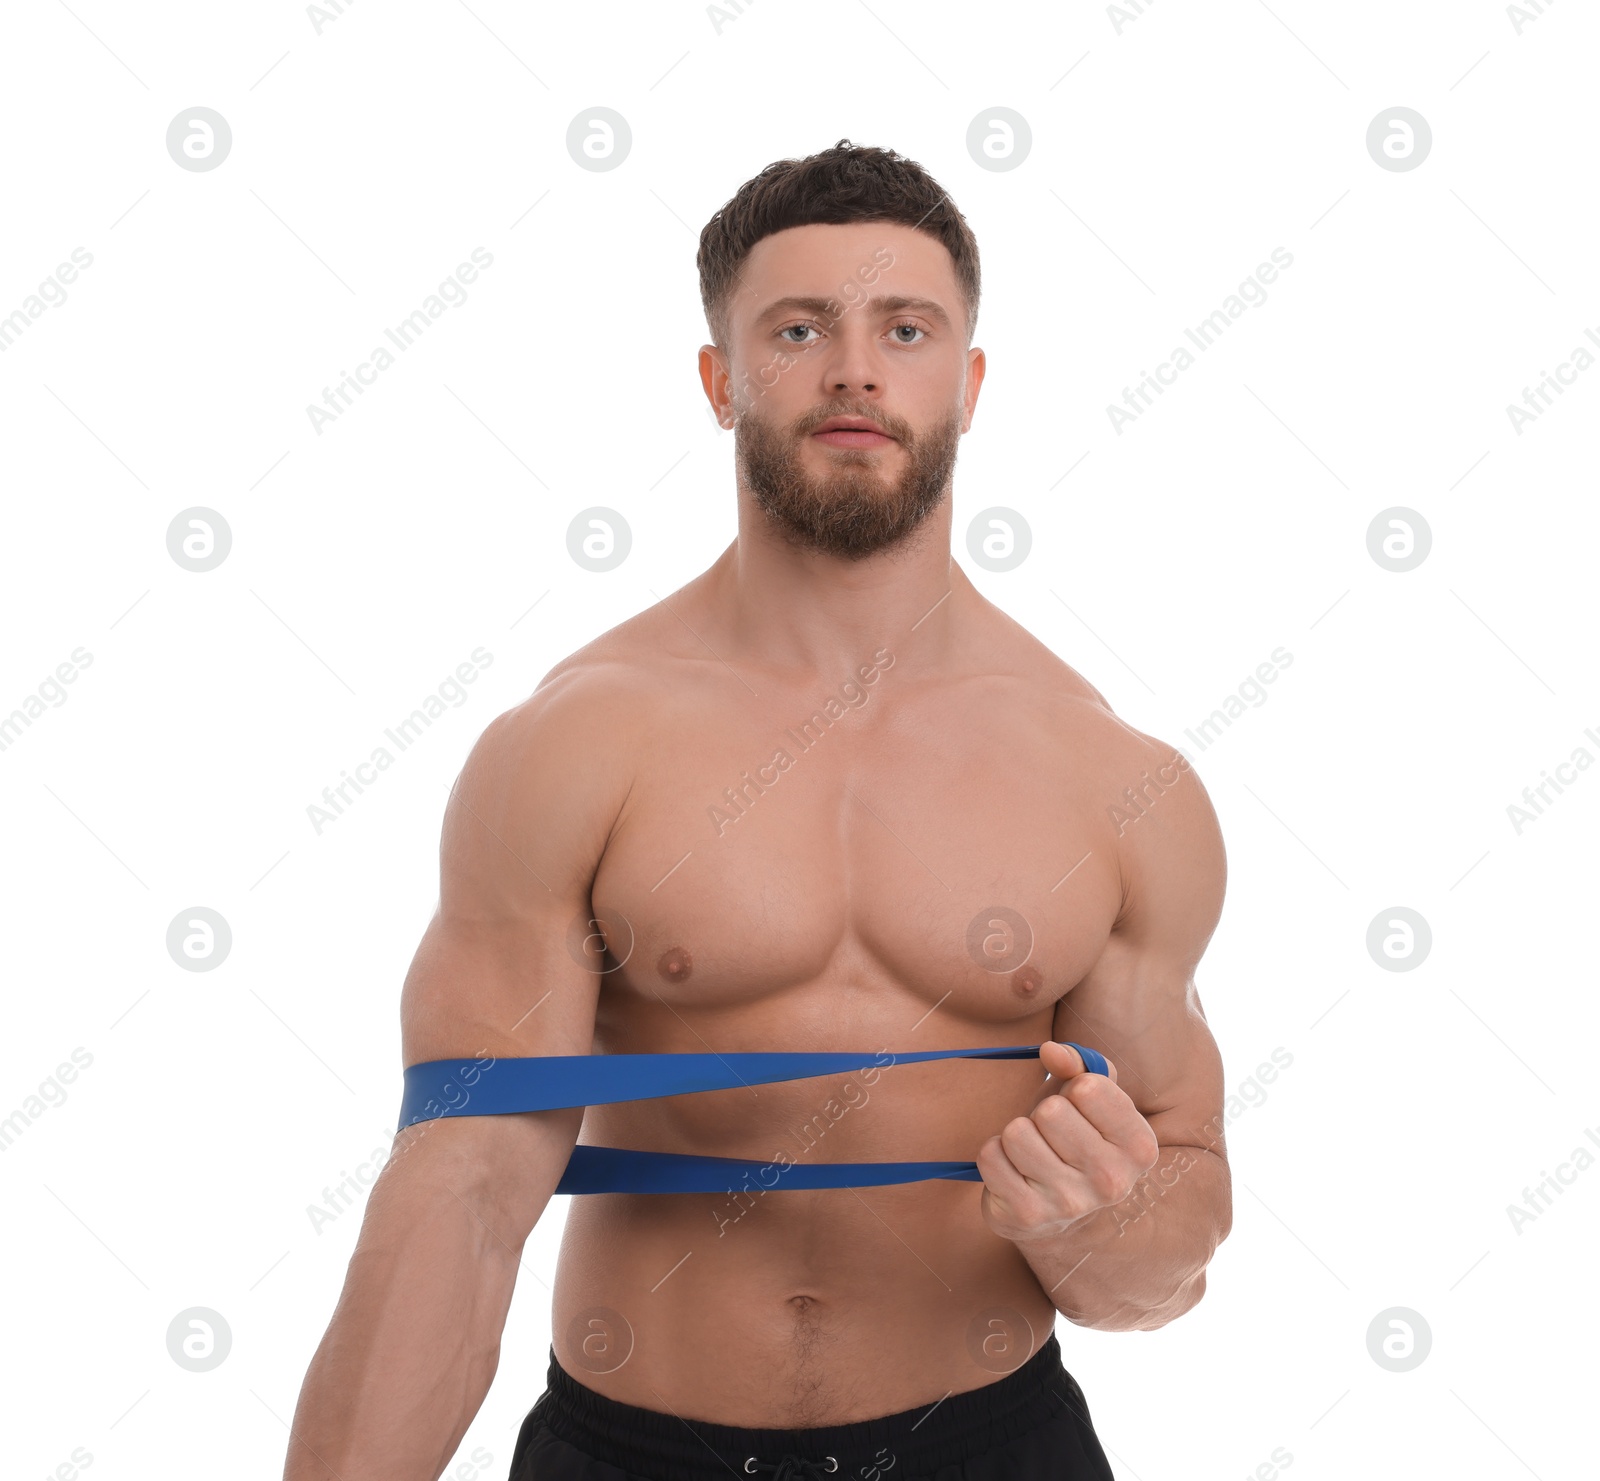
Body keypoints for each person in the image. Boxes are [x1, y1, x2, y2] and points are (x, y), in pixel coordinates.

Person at [282, 139, 1231, 1481]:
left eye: (905, 329)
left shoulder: (1116, 781)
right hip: (632, 1447)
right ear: (722, 379)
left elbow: (1166, 1261)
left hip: (991, 1444)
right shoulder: (576, 743)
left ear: (966, 383)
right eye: (801, 328)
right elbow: (467, 1189)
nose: (856, 368)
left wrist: (1099, 1227)